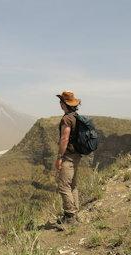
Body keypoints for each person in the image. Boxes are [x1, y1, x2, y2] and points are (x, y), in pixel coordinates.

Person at [55, 90, 82, 224]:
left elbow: (64, 138)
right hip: (77, 155)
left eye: (61, 102)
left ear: (64, 104)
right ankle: (75, 213)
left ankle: (70, 216)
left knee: (63, 185)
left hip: (69, 156)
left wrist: (60, 157)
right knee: (73, 185)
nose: (60, 104)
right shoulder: (76, 116)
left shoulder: (66, 118)